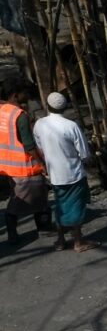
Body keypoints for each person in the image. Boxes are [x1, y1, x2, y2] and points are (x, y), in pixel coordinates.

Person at [33, 92, 92, 252]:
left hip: (55, 174)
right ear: (65, 107)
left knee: (60, 206)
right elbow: (85, 154)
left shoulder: (40, 124)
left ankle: (60, 241)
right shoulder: (71, 126)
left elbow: (39, 146)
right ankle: (78, 242)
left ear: (47, 106)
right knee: (76, 207)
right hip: (73, 173)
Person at [0, 80, 49, 244]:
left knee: (19, 197)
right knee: (33, 197)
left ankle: (14, 232)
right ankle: (42, 227)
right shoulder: (20, 116)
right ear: (15, 95)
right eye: (24, 94)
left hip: (7, 165)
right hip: (24, 166)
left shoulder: (3, 110)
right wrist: (41, 163)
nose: (27, 97)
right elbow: (29, 145)